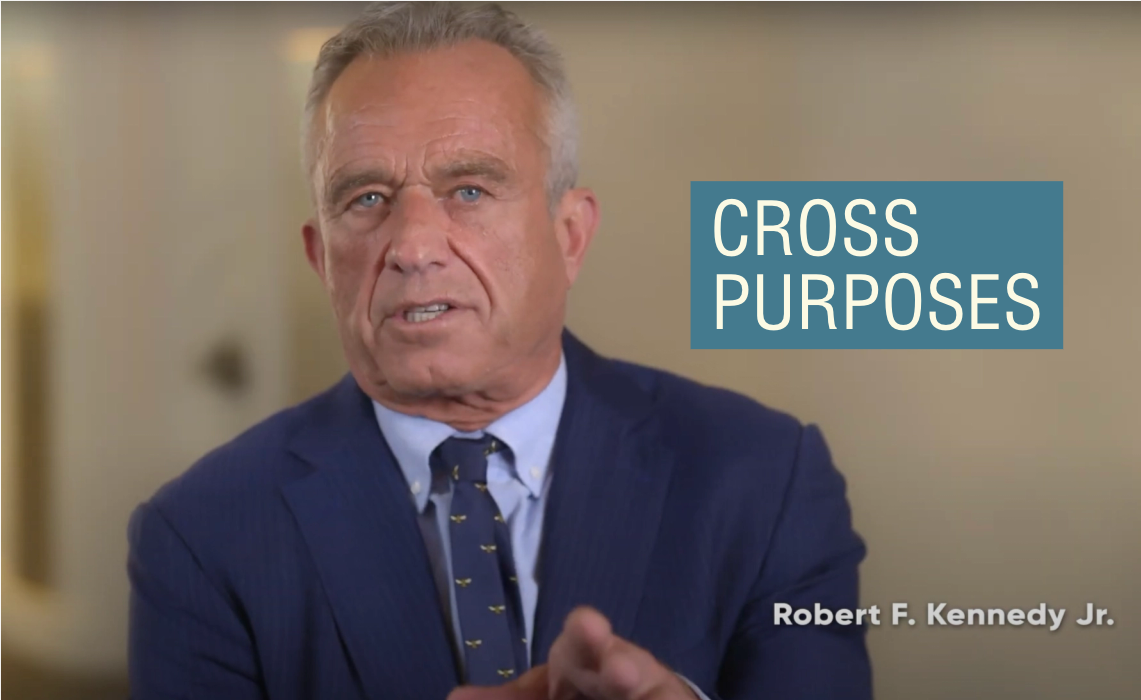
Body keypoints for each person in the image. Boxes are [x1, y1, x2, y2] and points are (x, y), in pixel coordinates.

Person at [126, 1, 872, 698]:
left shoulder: (766, 479)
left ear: (570, 236)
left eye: (470, 191)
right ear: (322, 260)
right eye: (367, 199)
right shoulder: (201, 535)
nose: (413, 246)